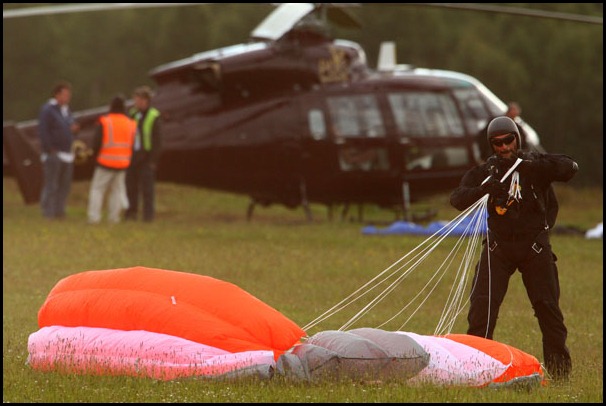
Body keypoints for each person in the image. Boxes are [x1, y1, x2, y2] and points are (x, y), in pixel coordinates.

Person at [450, 116, 578, 381]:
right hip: (499, 248)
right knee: (481, 309)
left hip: (534, 248)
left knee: (548, 309)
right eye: (497, 143)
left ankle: (560, 375)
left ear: (517, 139)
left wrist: (535, 164)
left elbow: (569, 168)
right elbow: (457, 199)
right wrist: (483, 189)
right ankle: (477, 370)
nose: (504, 147)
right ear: (491, 145)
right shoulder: (487, 171)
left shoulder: (533, 164)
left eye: (508, 140)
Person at [87, 95, 137, 224]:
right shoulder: (131, 123)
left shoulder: (105, 121)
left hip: (106, 161)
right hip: (123, 162)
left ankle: (94, 218)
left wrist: (94, 157)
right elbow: (133, 144)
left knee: (97, 190)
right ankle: (114, 218)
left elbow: (97, 142)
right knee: (117, 191)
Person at [38, 81, 80, 220]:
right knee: (52, 184)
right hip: (54, 153)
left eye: (69, 95)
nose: (67, 97)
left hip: (67, 153)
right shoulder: (48, 110)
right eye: (64, 94)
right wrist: (49, 149)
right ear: (57, 94)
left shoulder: (67, 110)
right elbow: (43, 131)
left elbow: (69, 125)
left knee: (64, 185)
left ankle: (59, 211)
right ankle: (48, 212)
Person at [125, 86, 162, 222]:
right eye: (135, 99)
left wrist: (153, 160)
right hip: (133, 156)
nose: (137, 102)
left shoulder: (154, 116)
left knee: (147, 190)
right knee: (131, 187)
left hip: (146, 156)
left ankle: (148, 217)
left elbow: (158, 140)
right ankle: (131, 213)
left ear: (146, 100)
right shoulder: (132, 114)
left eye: (140, 99)